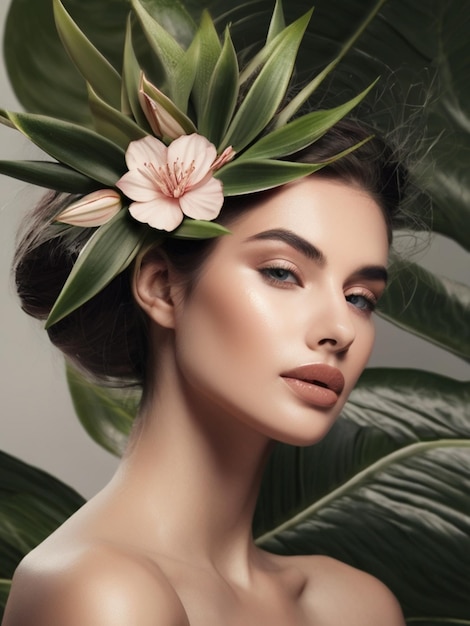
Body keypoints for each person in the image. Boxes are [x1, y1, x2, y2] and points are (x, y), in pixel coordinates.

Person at [2, 2, 408, 624]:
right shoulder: (99, 594)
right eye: (282, 272)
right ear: (162, 286)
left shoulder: (356, 605)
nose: (340, 329)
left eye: (361, 297)